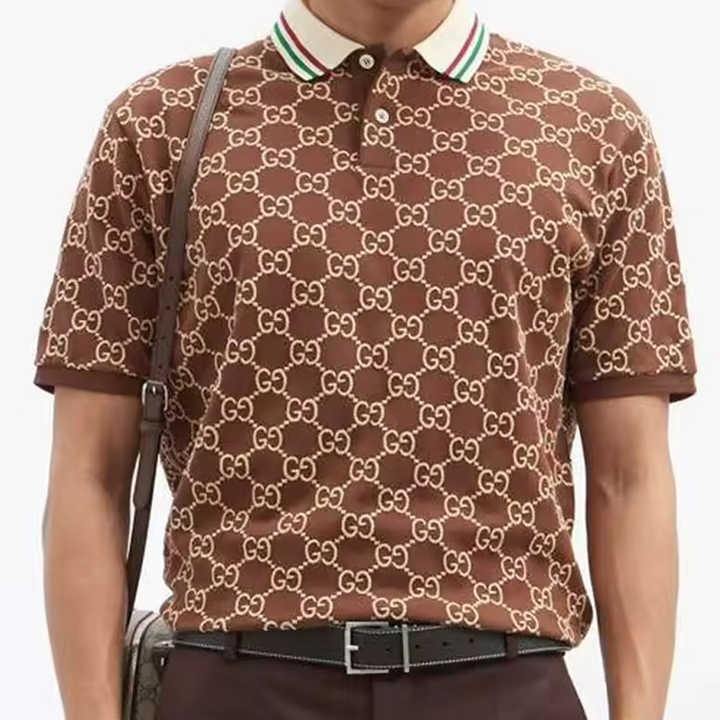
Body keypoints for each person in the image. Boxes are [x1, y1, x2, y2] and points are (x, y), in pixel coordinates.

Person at [33, 0, 697, 718]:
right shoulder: (158, 124)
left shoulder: (593, 128)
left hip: (506, 679)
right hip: (238, 676)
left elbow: (630, 475)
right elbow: (89, 472)